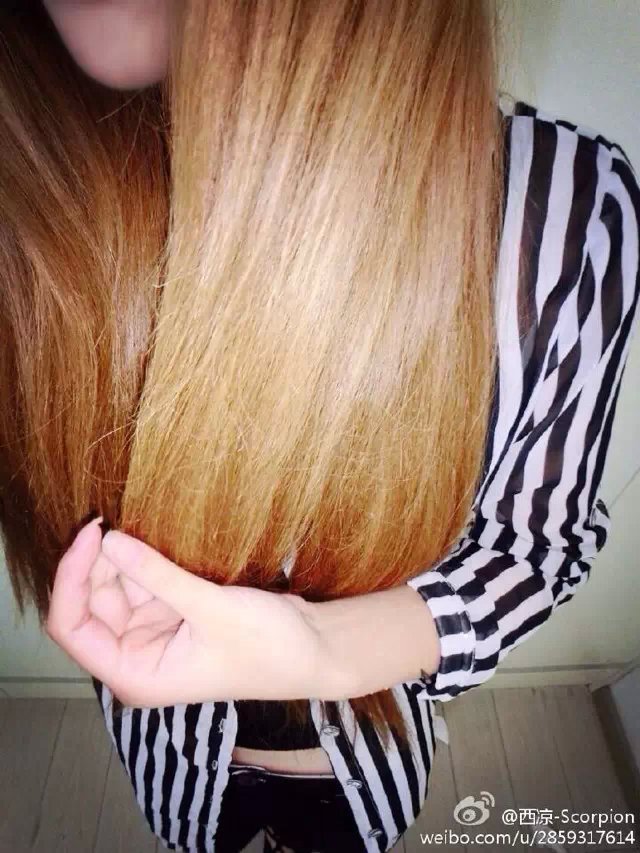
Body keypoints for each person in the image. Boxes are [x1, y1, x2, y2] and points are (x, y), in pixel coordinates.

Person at [2, 2, 639, 852]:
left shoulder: (560, 208)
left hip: (362, 755)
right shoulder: (22, 197)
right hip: (167, 752)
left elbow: (536, 546)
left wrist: (323, 651)